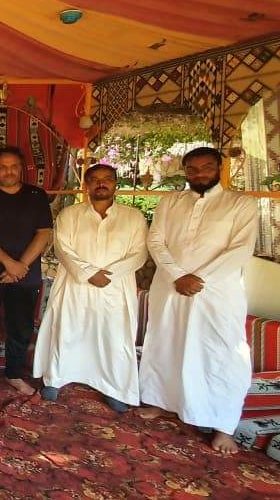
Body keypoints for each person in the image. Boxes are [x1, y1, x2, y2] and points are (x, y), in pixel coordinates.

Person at [138, 147, 259, 454]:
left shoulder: (240, 204)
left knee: (221, 352)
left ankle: (222, 425)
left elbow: (240, 249)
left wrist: (198, 278)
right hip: (171, 286)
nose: (200, 174)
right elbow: (156, 240)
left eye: (206, 167)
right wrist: (178, 275)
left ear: (219, 167)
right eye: (192, 169)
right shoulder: (171, 201)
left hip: (216, 292)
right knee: (166, 343)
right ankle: (163, 402)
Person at [33, 164, 148, 413]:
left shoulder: (133, 217)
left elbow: (139, 253)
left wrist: (109, 274)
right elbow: (62, 249)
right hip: (75, 286)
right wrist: (88, 273)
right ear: (86, 185)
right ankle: (55, 378)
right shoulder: (70, 215)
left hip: (115, 288)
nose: (101, 184)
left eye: (107, 179)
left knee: (113, 337)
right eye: (94, 179)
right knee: (68, 331)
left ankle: (114, 387)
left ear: (116, 183)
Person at [0, 146, 54, 395]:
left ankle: (14, 373)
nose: (9, 171)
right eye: (3, 167)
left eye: (14, 166)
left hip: (25, 272)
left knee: (21, 324)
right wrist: (9, 263)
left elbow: (43, 233)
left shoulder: (36, 195)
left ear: (22, 168)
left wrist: (21, 266)